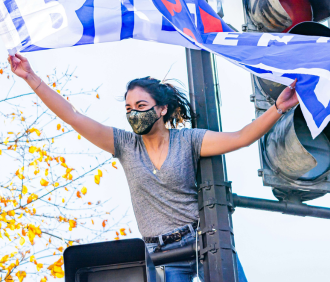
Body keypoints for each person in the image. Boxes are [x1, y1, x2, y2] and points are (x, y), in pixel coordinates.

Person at [8, 53, 298, 282]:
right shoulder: (124, 144)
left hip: (200, 240)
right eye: (128, 108)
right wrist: (31, 77)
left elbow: (241, 137)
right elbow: (73, 116)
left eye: (141, 105)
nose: (134, 112)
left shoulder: (187, 141)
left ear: (161, 109)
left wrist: (279, 107)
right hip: (162, 255)